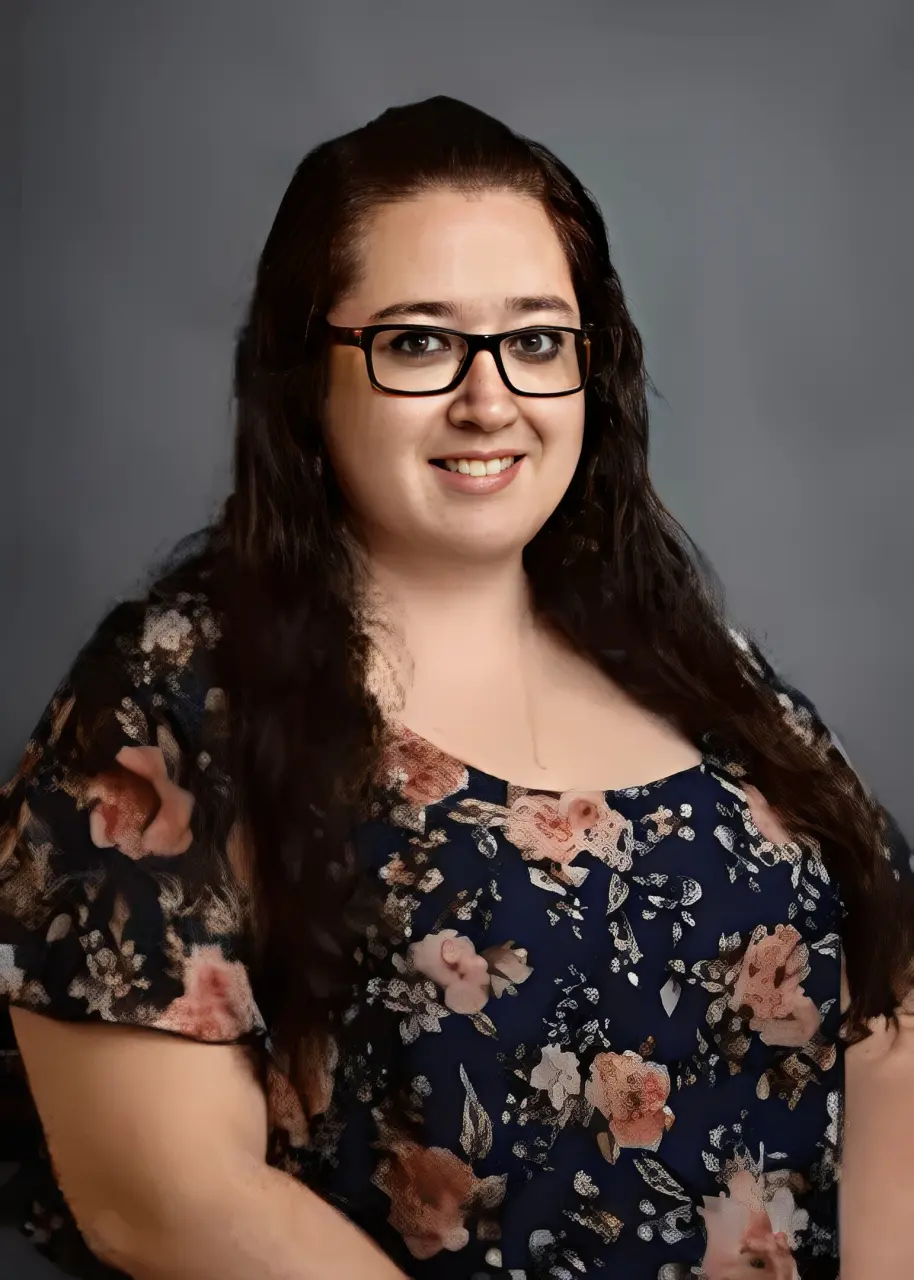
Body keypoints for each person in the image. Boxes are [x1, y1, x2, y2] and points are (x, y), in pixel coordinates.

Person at [0, 95, 911, 1280]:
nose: (490, 399)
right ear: (304, 378)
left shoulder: (699, 668)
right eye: (419, 341)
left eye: (534, 340)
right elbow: (163, 1195)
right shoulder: (171, 700)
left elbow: (888, 1011)